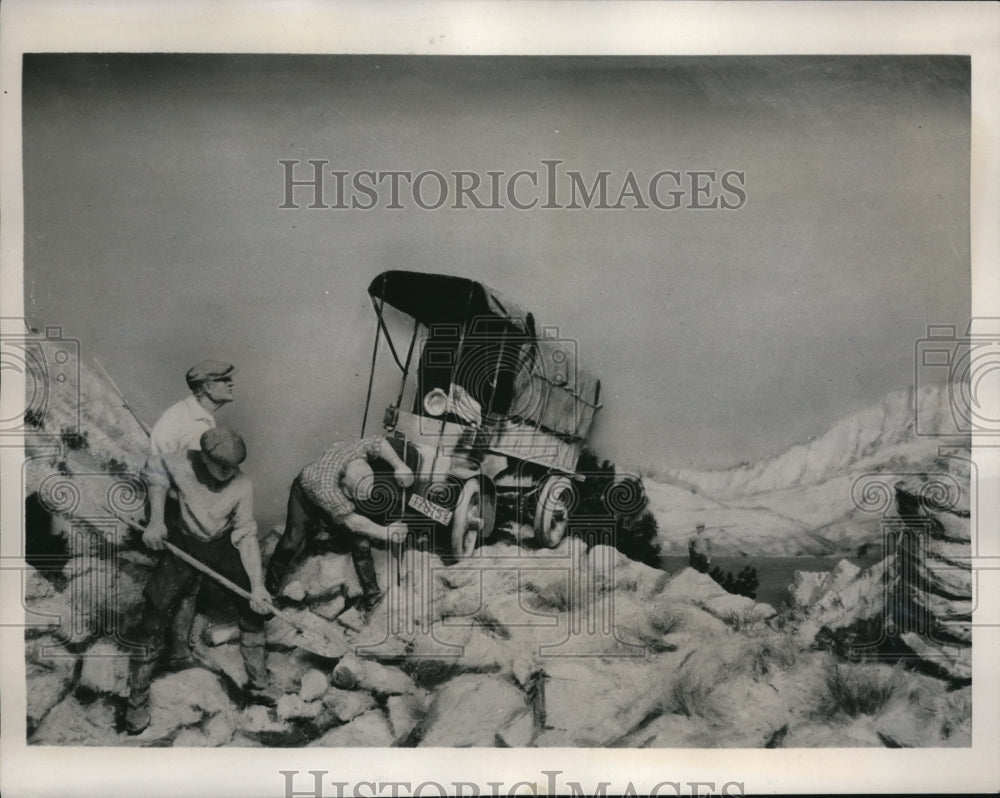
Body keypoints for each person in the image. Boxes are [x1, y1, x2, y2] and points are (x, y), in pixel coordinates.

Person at [126, 427, 270, 735]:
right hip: (183, 543)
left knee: (253, 606)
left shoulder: (241, 484)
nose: (229, 473)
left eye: (233, 467)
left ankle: (260, 684)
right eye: (221, 466)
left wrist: (257, 587)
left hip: (220, 544)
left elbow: (245, 534)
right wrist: (156, 521)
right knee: (155, 610)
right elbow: (155, 470)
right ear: (203, 457)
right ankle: (136, 700)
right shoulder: (180, 462)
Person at [145, 359, 237, 671]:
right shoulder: (196, 427)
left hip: (177, 500)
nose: (230, 383)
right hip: (173, 507)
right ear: (205, 388)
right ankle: (167, 654)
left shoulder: (190, 414)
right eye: (223, 380)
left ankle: (179, 650)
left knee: (190, 581)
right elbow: (171, 476)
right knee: (177, 584)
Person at [265, 437, 414, 611]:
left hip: (336, 494)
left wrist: (399, 466)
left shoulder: (358, 451)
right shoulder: (327, 489)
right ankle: (270, 591)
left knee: (362, 544)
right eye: (356, 496)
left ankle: (372, 596)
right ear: (344, 489)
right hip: (305, 495)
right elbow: (353, 523)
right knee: (292, 541)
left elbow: (379, 442)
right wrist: (385, 532)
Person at [148, 360, 236, 455]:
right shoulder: (194, 423)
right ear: (208, 387)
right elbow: (195, 467)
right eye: (225, 380)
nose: (231, 384)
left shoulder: (197, 413)